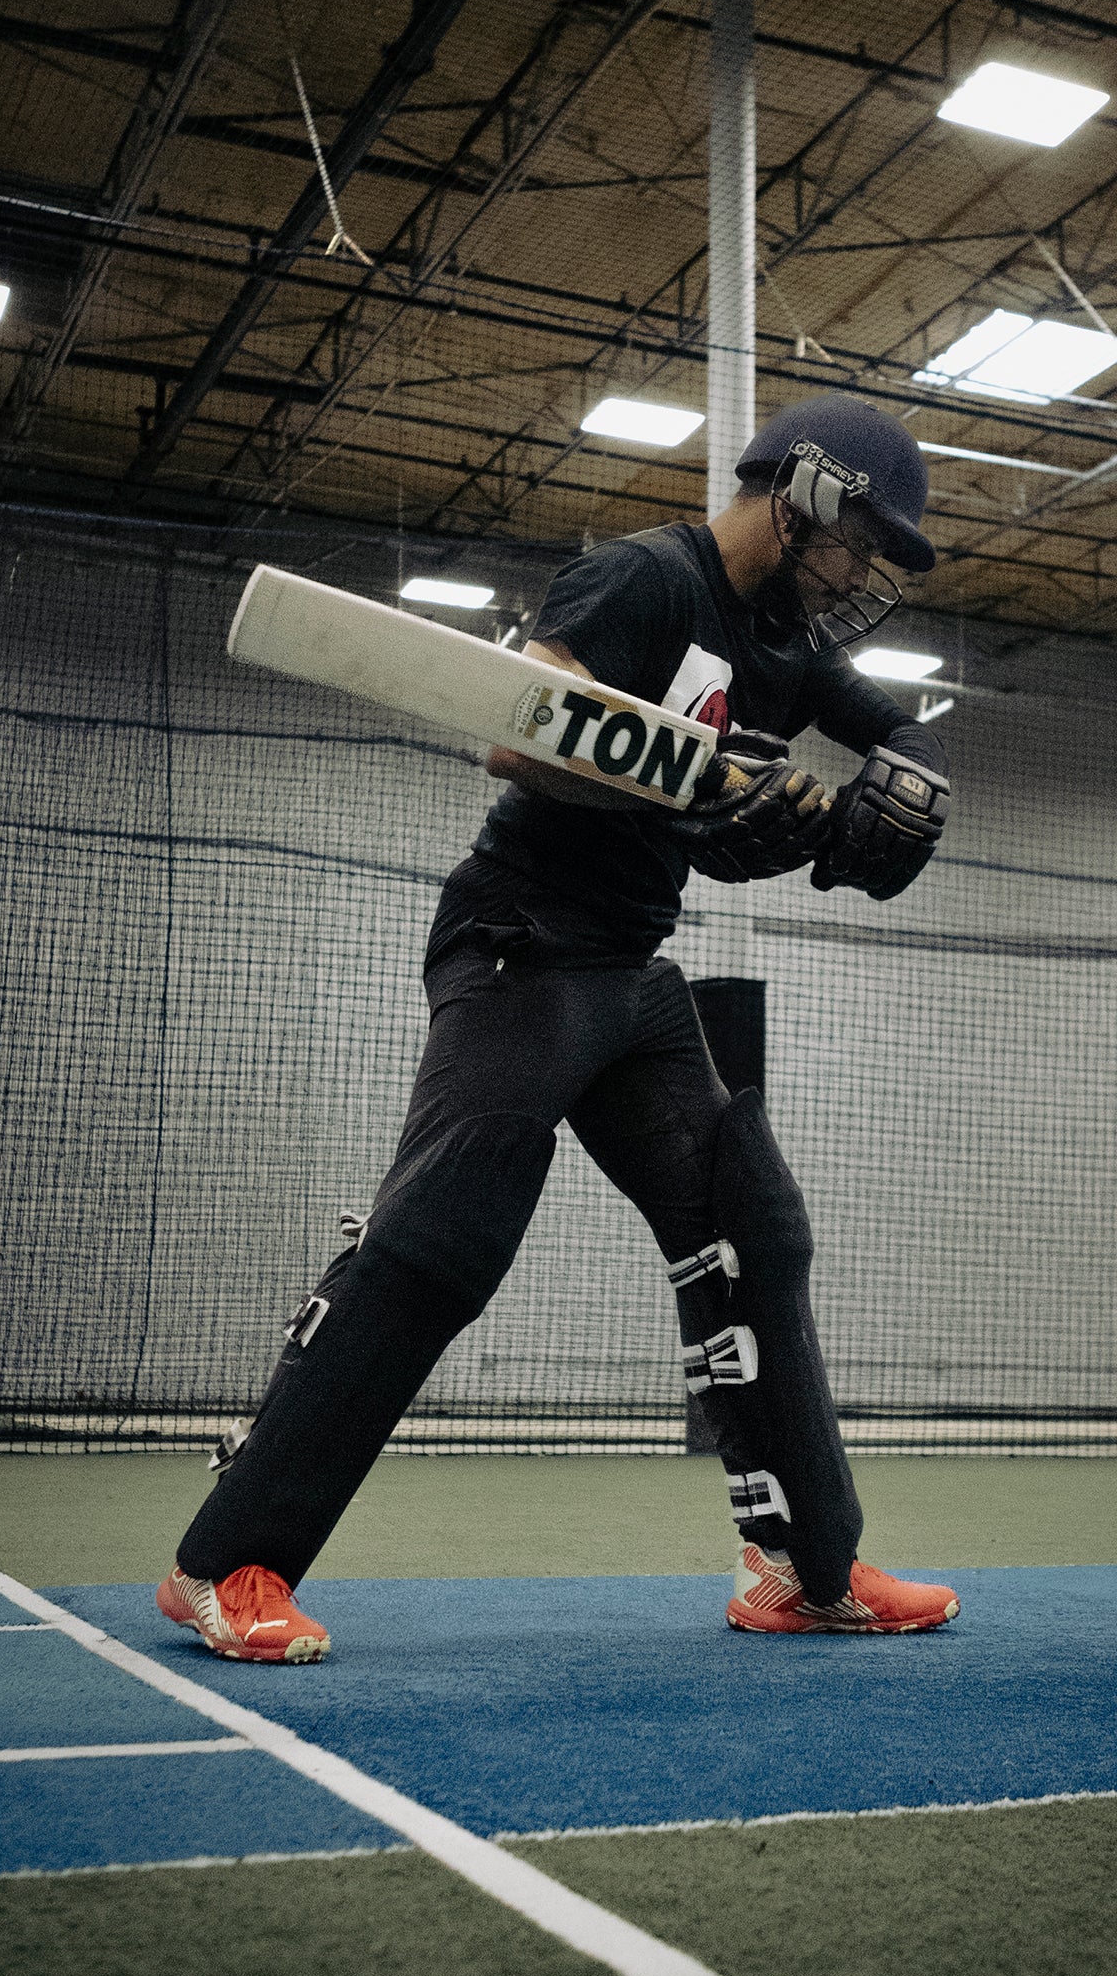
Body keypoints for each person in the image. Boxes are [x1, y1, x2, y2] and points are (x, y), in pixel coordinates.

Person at [157, 393, 958, 1662]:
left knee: (752, 1225)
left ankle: (805, 1571)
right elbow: (520, 733)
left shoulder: (785, 642)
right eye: (861, 539)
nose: (863, 572)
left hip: (631, 972)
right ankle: (226, 1562)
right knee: (443, 1233)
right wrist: (703, 788)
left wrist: (906, 777)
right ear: (802, 493)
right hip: (520, 940)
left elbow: (890, 723)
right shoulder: (644, 578)